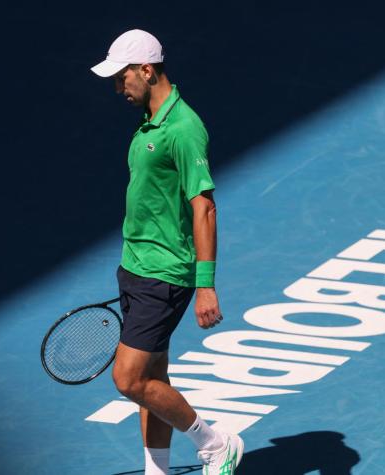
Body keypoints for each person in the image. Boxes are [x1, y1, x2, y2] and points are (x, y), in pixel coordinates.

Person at [91, 29, 244, 475]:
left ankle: (216, 443)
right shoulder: (148, 122)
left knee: (129, 379)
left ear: (146, 69)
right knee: (152, 380)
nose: (119, 88)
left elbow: (205, 208)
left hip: (165, 274)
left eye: (123, 79)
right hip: (135, 267)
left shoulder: (183, 129)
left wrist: (206, 285)